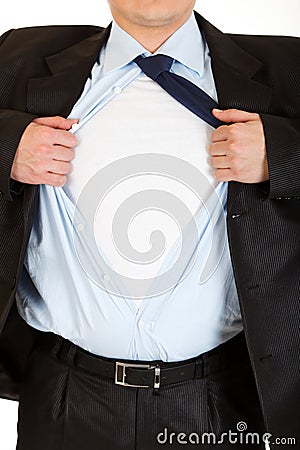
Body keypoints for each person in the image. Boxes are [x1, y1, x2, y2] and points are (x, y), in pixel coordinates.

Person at [0, 1, 299, 449]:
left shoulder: (287, 66)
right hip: (64, 397)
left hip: (225, 398)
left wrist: (285, 156)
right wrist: (6, 148)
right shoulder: (19, 55)